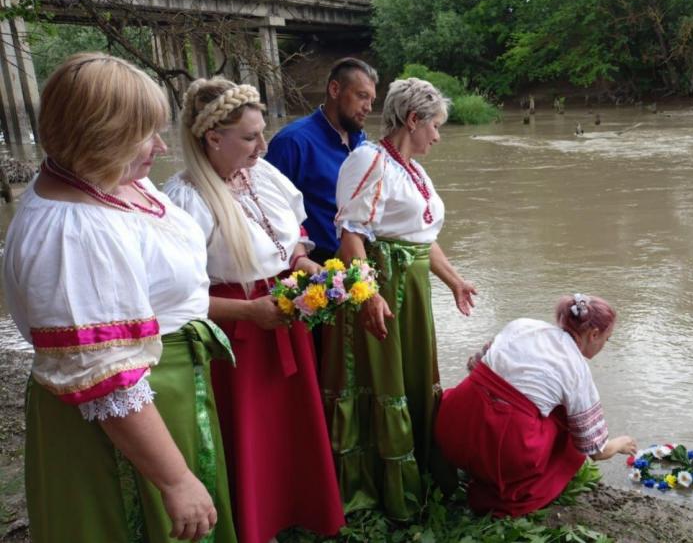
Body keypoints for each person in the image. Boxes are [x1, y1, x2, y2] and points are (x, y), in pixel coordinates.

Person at [2, 53, 236, 542]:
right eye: (143, 133)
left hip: (162, 389)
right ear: (96, 135)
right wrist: (173, 478)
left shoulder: (110, 175)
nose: (159, 145)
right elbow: (107, 378)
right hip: (125, 418)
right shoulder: (73, 232)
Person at [163, 77, 344, 543]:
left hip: (282, 314)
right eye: (250, 137)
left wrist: (308, 270)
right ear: (213, 138)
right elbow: (176, 299)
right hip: (237, 334)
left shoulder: (262, 176)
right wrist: (249, 314)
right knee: (251, 431)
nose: (263, 146)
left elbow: (291, 245)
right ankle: (254, 524)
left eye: (262, 132)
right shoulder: (184, 200)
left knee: (292, 427)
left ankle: (298, 511)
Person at [327, 77, 477, 520]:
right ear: (412, 120)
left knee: (414, 375)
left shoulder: (412, 168)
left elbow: (421, 236)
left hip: (412, 288)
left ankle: (423, 474)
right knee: (384, 377)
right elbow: (351, 234)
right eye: (434, 125)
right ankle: (379, 488)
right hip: (384, 286)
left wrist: (454, 280)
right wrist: (369, 295)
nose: (438, 134)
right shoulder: (367, 160)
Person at [434, 294, 638, 518]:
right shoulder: (576, 369)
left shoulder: (523, 326)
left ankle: (469, 465)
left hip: (451, 426)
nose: (603, 346)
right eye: (606, 340)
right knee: (572, 432)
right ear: (594, 334)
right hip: (500, 450)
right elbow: (595, 450)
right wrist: (620, 444)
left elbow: (474, 365)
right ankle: (502, 492)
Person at [265, 57, 378, 264]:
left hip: (360, 261)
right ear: (335, 90)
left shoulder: (361, 142)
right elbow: (266, 209)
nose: (369, 107)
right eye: (362, 96)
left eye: (371, 100)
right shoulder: (293, 142)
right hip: (314, 267)